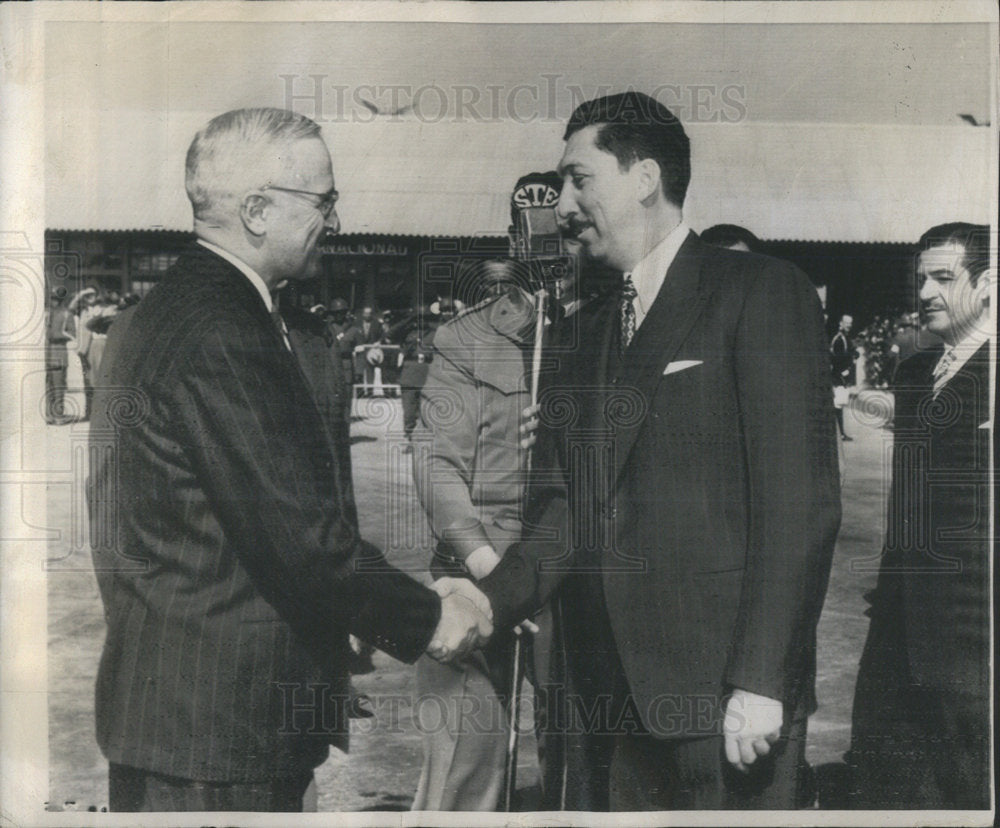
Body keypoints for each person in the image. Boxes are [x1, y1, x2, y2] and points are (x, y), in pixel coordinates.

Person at [86, 107, 491, 812]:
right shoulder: (221, 330)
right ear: (256, 210)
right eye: (323, 200)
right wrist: (428, 617)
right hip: (215, 729)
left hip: (198, 714)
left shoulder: (183, 313)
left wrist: (340, 621)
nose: (335, 219)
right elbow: (298, 535)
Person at [460, 91, 841, 810]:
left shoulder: (759, 290)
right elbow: (564, 511)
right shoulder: (585, 329)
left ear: (644, 178)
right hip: (604, 702)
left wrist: (760, 681)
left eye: (578, 179)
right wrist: (484, 600)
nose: (562, 204)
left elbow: (798, 505)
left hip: (720, 701)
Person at [847, 223, 991, 809]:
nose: (926, 292)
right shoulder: (914, 374)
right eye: (921, 279)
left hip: (975, 644)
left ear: (988, 284)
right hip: (900, 629)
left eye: (943, 278)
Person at [410, 259, 537, 811]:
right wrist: (485, 562)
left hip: (581, 569)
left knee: (582, 762)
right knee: (464, 770)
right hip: (481, 565)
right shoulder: (469, 337)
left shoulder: (615, 324)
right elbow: (437, 459)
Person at [44, 288, 74, 424]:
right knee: (48, 385)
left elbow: (72, 334)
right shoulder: (46, 314)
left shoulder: (67, 314)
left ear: (61, 300)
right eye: (52, 299)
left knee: (58, 385)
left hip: (59, 352)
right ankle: (49, 414)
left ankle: (58, 415)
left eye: (56, 299)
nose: (53, 302)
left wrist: (55, 335)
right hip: (47, 354)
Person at [345, 305, 384, 394]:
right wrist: (354, 347)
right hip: (360, 350)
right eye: (366, 313)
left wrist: (378, 342)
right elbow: (351, 336)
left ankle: (370, 391)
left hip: (371, 351)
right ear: (363, 314)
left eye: (369, 313)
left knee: (370, 372)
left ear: (372, 314)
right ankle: (360, 392)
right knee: (359, 372)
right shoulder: (357, 323)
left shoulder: (377, 324)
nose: (367, 315)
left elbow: (381, 336)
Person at [830, 314, 856, 440]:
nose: (849, 325)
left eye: (850, 323)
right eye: (847, 323)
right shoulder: (839, 339)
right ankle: (839, 434)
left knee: (839, 405)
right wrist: (843, 374)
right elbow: (836, 359)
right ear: (841, 323)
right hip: (839, 377)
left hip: (842, 377)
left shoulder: (845, 338)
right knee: (838, 405)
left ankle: (840, 433)